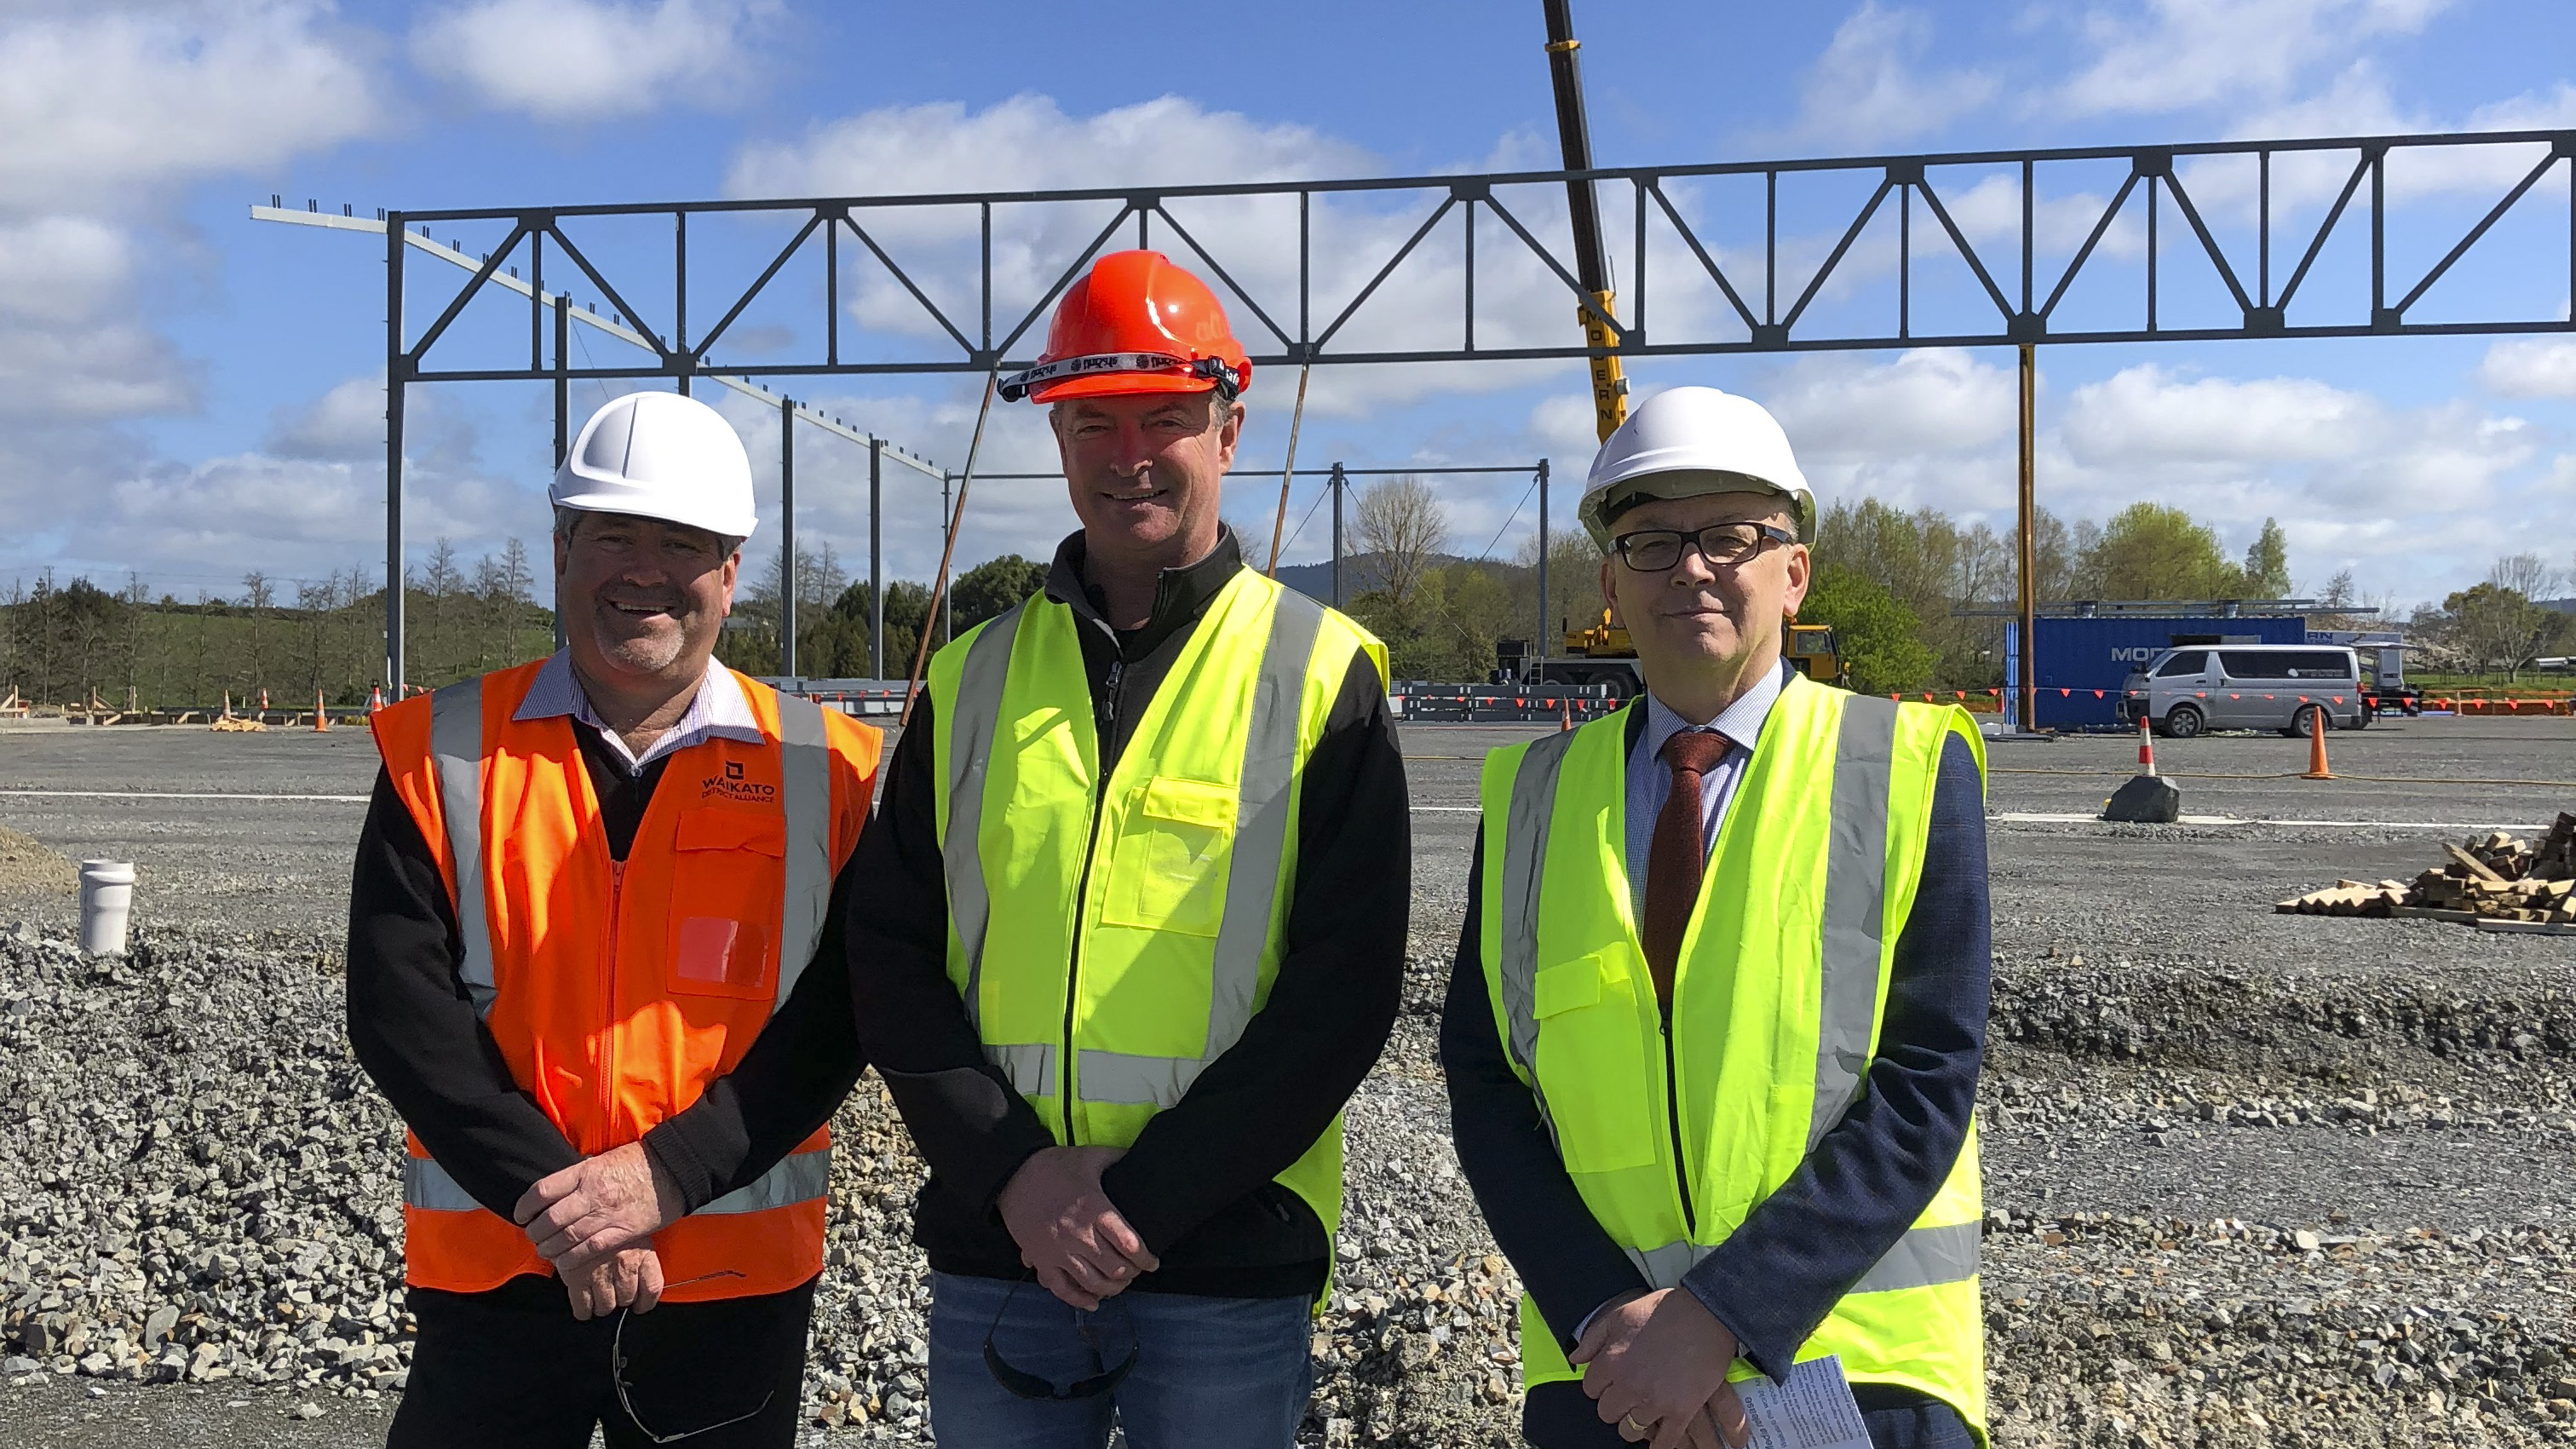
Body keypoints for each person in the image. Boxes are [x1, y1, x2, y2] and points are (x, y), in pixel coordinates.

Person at [846, 250, 1409, 1449]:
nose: (1128, 451)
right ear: (1056, 438)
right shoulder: (973, 676)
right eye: (1092, 420)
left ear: (1230, 425)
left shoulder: (1323, 676)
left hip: (1225, 1252)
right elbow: (889, 953)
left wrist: (1138, 1201)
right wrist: (1019, 1175)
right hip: (1005, 1244)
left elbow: (1342, 994)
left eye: (1166, 416)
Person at [1440, 386, 1991, 1449]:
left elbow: (1927, 1079)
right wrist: (1609, 1316)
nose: (1689, 566)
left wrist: (1723, 1316)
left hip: (1853, 1367)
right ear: (1609, 582)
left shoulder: (1909, 766)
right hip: (1605, 1375)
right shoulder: (1531, 798)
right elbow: (1486, 1078)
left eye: (1731, 536)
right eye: (1649, 541)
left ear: (1795, 574)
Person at [347, 389, 882, 1447]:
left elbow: (845, 1015)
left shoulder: (831, 771)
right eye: (613, 535)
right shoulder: (443, 752)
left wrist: (668, 1176)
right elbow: (401, 1013)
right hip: (503, 1265)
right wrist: (566, 1211)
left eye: (680, 543)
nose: (644, 570)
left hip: (728, 1277)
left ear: (731, 572)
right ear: (561, 550)